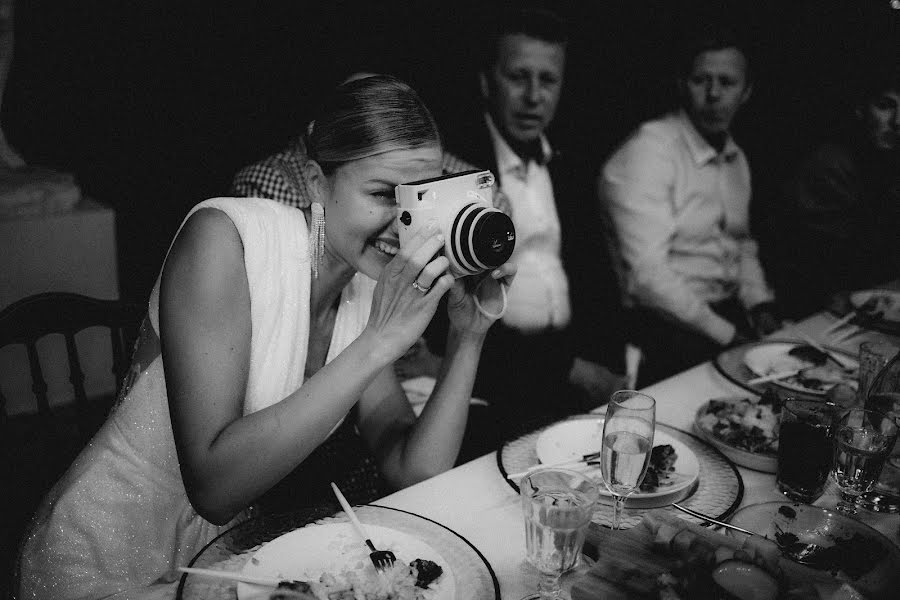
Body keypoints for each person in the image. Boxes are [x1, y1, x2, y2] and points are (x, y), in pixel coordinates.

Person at [16, 75, 514, 600]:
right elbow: (213, 487)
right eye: (381, 195)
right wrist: (378, 342)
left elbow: (414, 467)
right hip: (109, 557)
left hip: (229, 563)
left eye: (419, 198)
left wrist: (468, 337)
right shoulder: (223, 238)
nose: (404, 224)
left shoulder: (362, 285)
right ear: (318, 183)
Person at [420, 7, 625, 461]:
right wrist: (569, 369)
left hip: (575, 364)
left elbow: (596, 276)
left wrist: (611, 364)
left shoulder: (570, 163)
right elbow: (447, 320)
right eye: (518, 77)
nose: (534, 97)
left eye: (548, 80)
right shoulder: (455, 171)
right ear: (486, 81)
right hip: (498, 378)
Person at [599, 25, 780, 387]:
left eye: (727, 83)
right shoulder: (649, 151)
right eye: (702, 80)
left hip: (725, 318)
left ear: (747, 91)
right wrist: (730, 336)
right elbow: (647, 278)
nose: (713, 94)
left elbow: (740, 244)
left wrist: (760, 306)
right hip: (664, 331)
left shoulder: (735, 157)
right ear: (682, 83)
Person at [770, 69, 900, 318]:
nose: (898, 121)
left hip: (868, 299)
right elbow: (821, 264)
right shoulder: (831, 165)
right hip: (813, 307)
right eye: (885, 106)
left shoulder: (889, 162)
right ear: (861, 110)